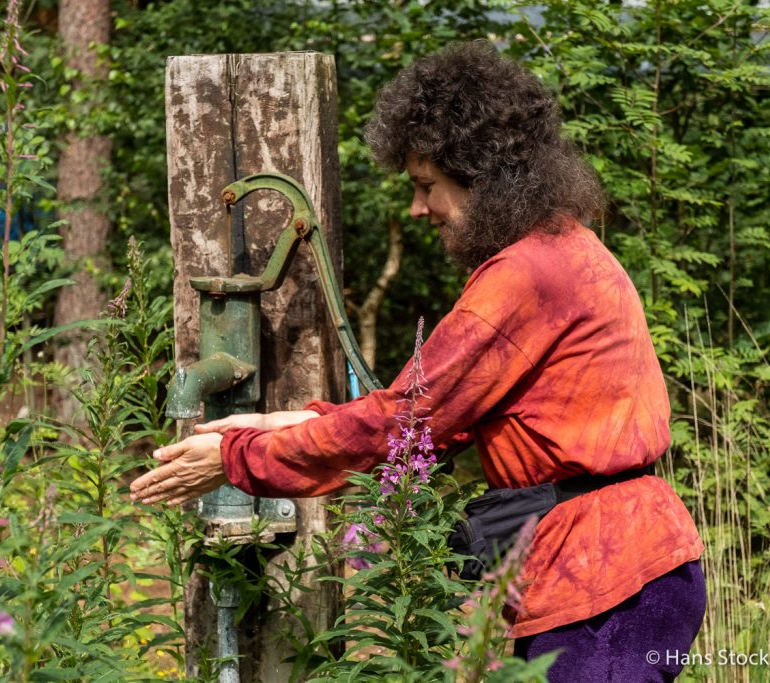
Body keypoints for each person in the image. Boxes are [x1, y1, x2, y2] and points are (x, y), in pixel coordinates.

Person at [131, 41, 706, 681]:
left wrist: (238, 458)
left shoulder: (526, 275)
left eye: (426, 185)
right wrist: (286, 427)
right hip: (627, 568)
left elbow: (401, 425)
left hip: (605, 582)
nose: (417, 207)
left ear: (480, 171)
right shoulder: (567, 248)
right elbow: (433, 420)